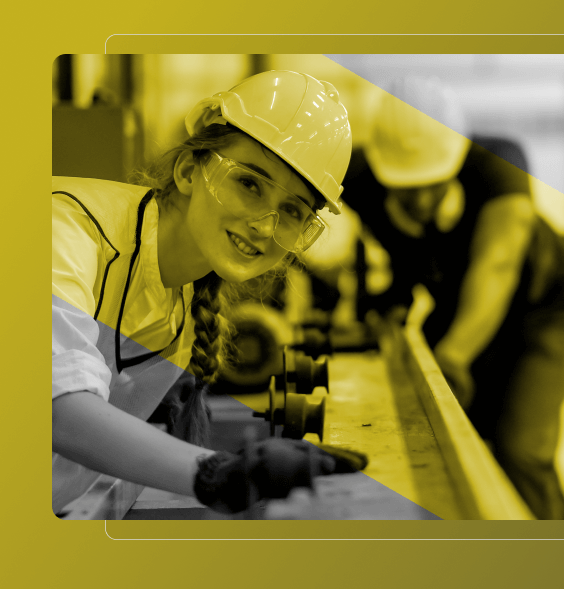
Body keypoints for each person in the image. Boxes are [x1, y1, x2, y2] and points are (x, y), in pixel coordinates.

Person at [52, 70, 367, 517]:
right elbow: (55, 408)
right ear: (187, 170)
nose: (263, 225)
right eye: (249, 183)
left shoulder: (180, 318)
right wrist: (218, 474)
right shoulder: (65, 228)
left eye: (292, 211)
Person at [341, 76, 564, 520]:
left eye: (434, 183)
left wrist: (455, 354)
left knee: (520, 447)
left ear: (457, 158)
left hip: (549, 304)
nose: (422, 199)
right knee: (461, 429)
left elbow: (496, 267)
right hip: (463, 300)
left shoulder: (499, 164)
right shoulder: (363, 178)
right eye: (407, 187)